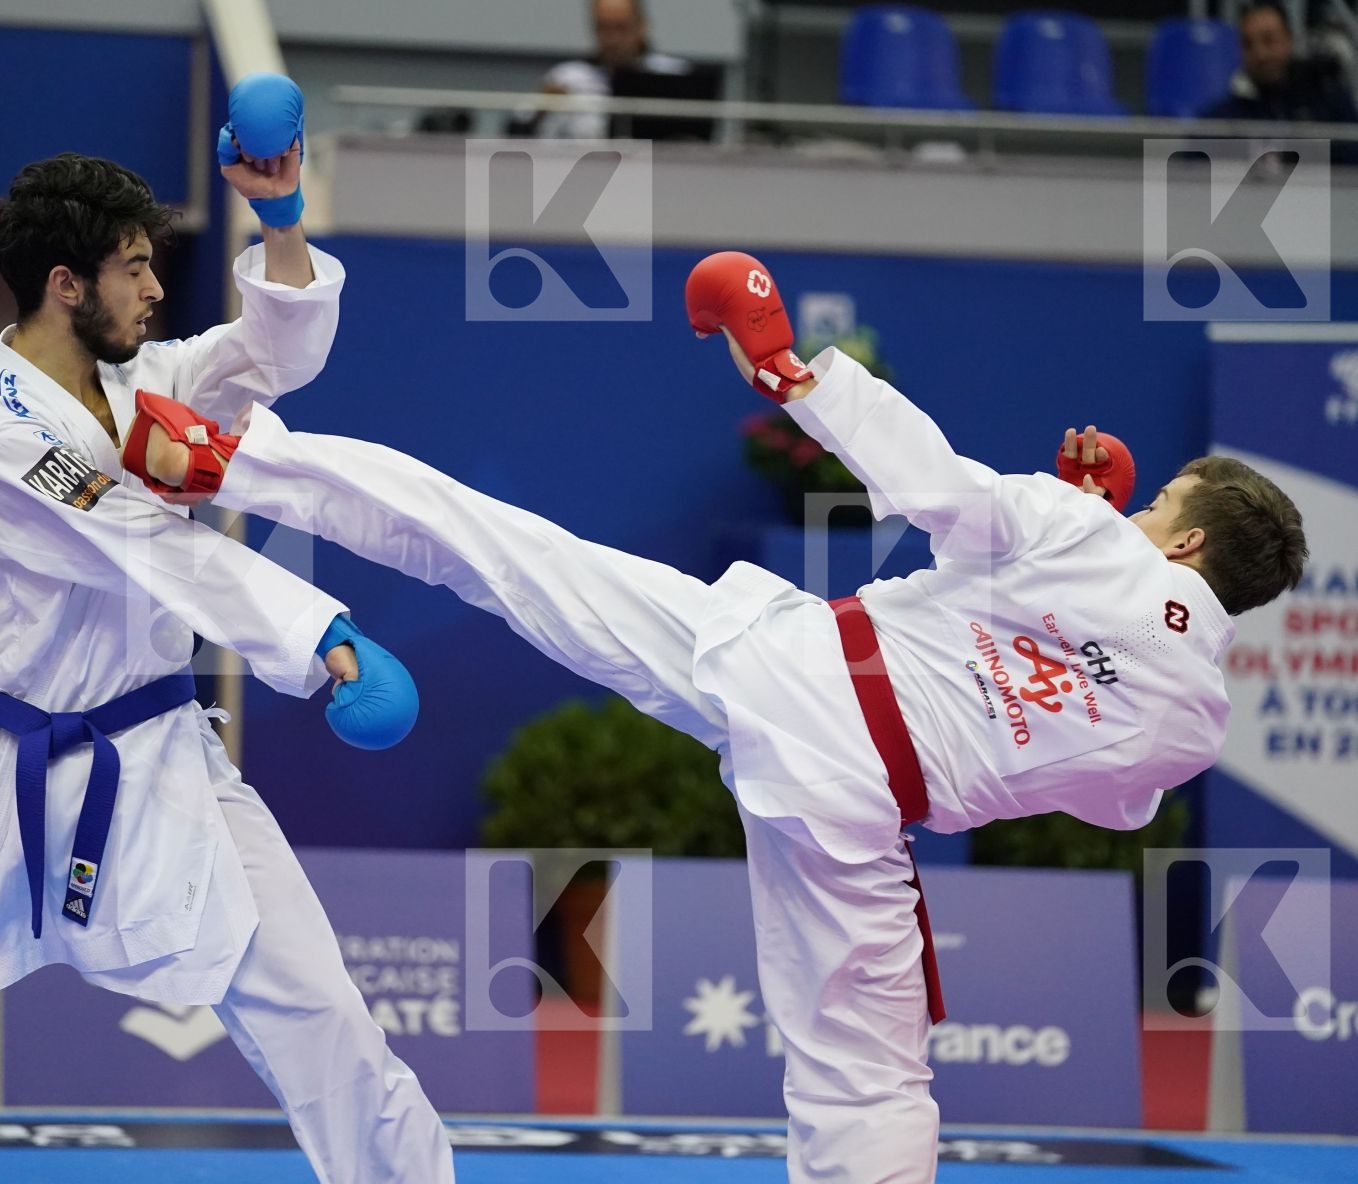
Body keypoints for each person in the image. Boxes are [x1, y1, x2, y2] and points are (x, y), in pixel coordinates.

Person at [124, 253, 1306, 1183]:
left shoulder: (1083, 539)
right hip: (862, 815)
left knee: (489, 543)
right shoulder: (1189, 720)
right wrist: (1082, 527)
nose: (1142, 510)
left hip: (793, 675)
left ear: (1190, 540)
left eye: (1161, 505)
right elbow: (1108, 783)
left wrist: (797, 371)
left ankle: (224, 461)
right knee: (870, 1078)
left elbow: (936, 488)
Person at [0, 77, 454, 1184]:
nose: (151, 284)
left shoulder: (151, 381)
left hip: (164, 758)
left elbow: (272, 357)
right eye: (132, 266)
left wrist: (280, 219)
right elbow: (145, 539)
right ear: (64, 284)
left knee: (326, 1019)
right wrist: (323, 634)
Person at [512, 0, 695, 139]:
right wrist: (542, 110)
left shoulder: (675, 75)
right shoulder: (567, 77)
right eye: (603, 27)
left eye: (621, 27)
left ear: (642, 26)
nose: (613, 38)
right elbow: (515, 131)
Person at [1205, 0, 1358, 161]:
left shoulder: (1329, 102)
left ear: (1289, 40)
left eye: (1269, 40)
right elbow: (1186, 171)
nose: (1260, 54)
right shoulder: (1224, 118)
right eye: (1248, 44)